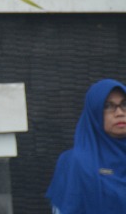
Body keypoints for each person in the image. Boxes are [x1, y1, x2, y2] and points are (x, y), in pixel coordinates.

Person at [46, 78, 126, 214]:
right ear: (95, 113)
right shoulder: (75, 162)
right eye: (108, 106)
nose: (119, 113)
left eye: (124, 104)